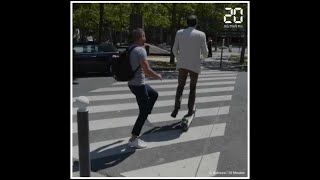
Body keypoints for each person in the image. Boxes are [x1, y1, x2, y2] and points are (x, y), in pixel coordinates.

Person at [127, 28, 163, 149]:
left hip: (132, 83)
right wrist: (158, 76)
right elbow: (147, 70)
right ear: (140, 37)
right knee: (142, 112)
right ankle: (133, 138)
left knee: (154, 94)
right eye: (144, 36)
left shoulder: (130, 48)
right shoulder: (140, 51)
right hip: (138, 85)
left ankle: (145, 115)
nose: (146, 38)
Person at [171, 15, 208, 118]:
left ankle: (176, 108)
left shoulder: (179, 33)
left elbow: (174, 49)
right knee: (192, 88)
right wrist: (201, 59)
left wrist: (179, 58)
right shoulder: (201, 34)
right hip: (195, 65)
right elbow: (205, 52)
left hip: (182, 64)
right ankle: (190, 110)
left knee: (180, 86)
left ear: (187, 23)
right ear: (196, 23)